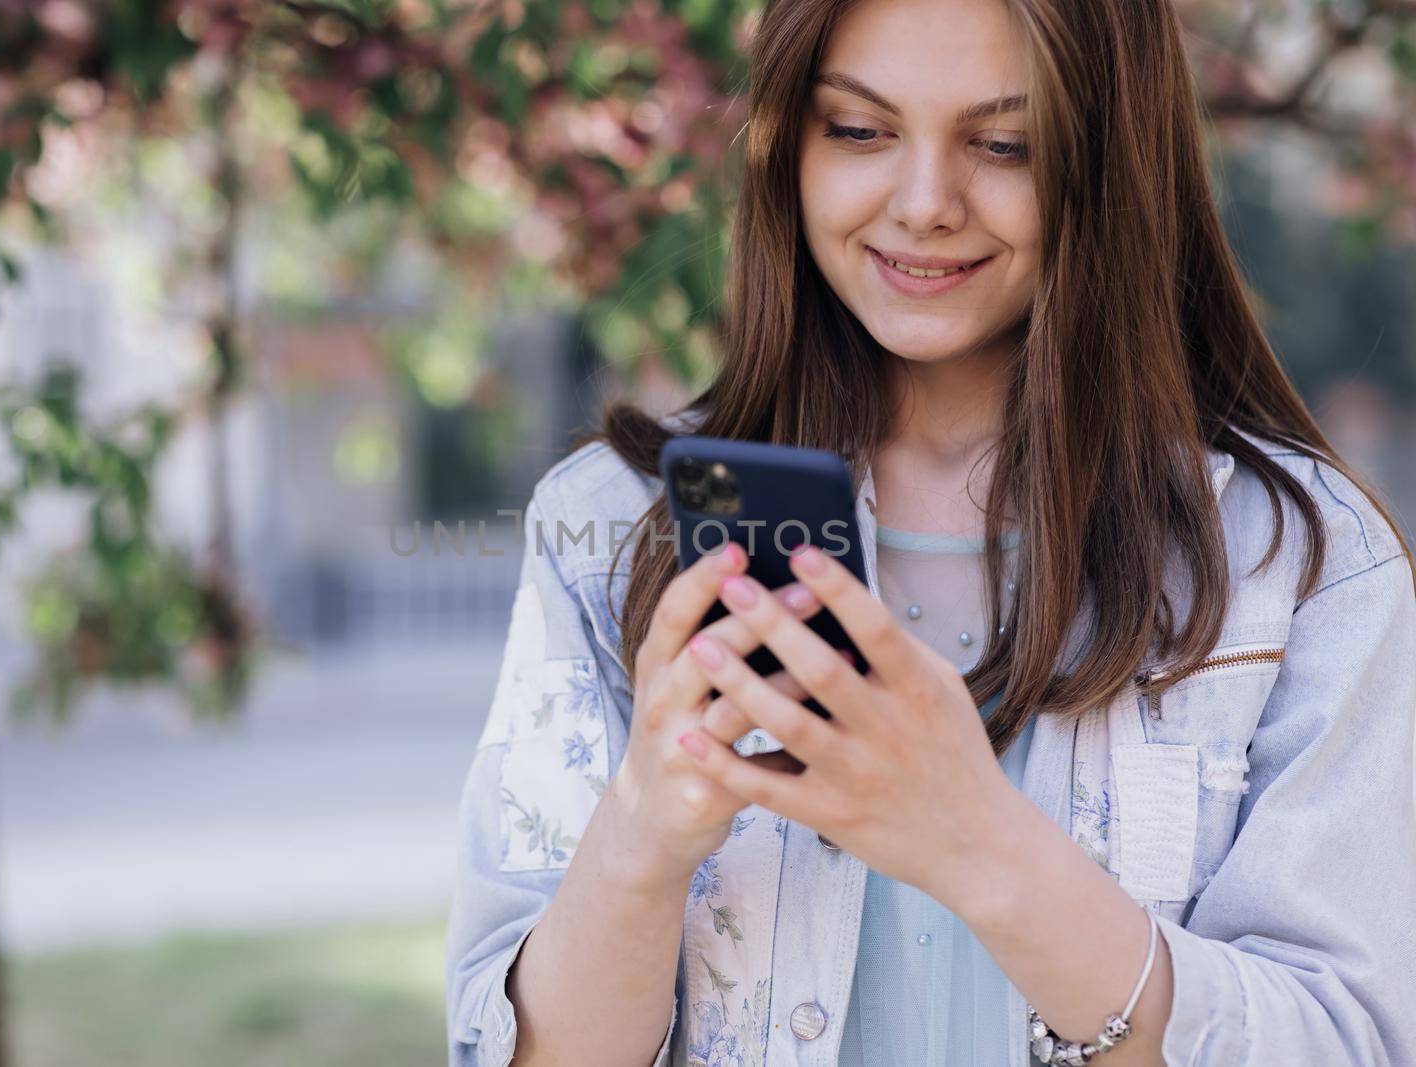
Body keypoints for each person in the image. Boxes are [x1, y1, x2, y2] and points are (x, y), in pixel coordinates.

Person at [443, 0, 1416, 1063]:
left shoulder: (1301, 563)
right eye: (857, 130)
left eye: (1004, 144)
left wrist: (978, 842)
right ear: (786, 145)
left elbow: (1347, 1042)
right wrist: (645, 831)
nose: (923, 204)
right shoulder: (610, 528)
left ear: (1110, 158)